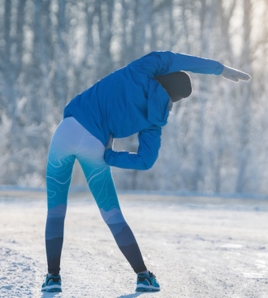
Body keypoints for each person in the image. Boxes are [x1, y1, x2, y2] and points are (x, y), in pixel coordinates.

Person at [41, 51, 250, 293]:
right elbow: (145, 161)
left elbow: (182, 61)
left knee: (56, 210)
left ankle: (53, 278)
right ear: (175, 98)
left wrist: (219, 68)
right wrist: (109, 155)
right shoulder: (156, 120)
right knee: (112, 215)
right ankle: (143, 276)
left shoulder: (144, 69)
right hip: (96, 146)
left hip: (68, 129)